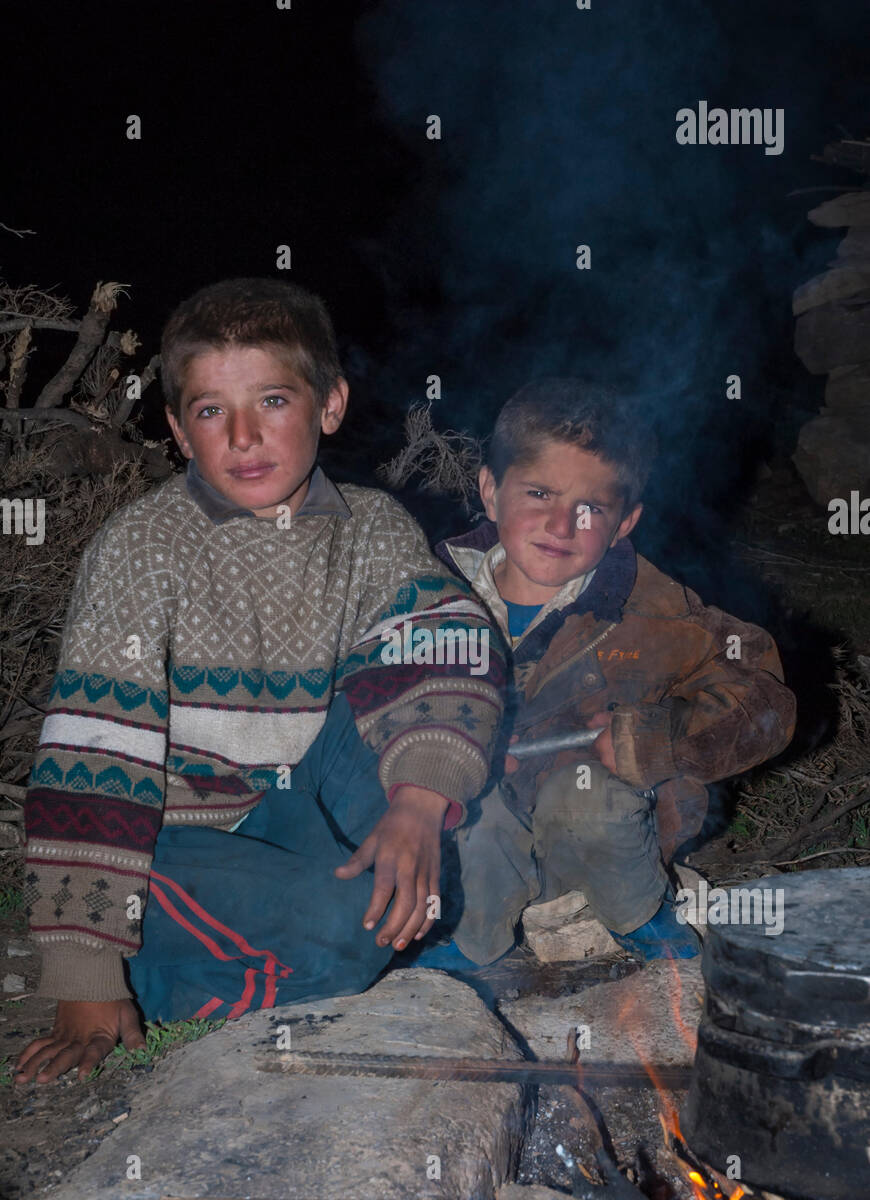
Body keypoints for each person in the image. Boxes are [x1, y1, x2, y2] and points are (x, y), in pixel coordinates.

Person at [15, 277, 505, 1084]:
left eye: (273, 400)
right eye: (211, 411)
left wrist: (419, 804)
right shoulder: (142, 551)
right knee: (351, 927)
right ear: (177, 430)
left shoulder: (371, 526)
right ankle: (153, 977)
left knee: (422, 736)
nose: (244, 437)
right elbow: (94, 761)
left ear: (330, 405)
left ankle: (352, 925)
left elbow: (448, 644)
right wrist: (83, 980)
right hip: (169, 839)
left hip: (290, 800)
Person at [420, 377, 796, 968]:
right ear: (491, 492)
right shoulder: (427, 599)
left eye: (591, 508)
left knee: (584, 794)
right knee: (466, 797)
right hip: (480, 847)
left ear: (625, 522)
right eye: (540, 493)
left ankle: (641, 916)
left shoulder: (653, 610)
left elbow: (766, 700)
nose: (562, 525)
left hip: (603, 844)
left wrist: (652, 739)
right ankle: (473, 946)